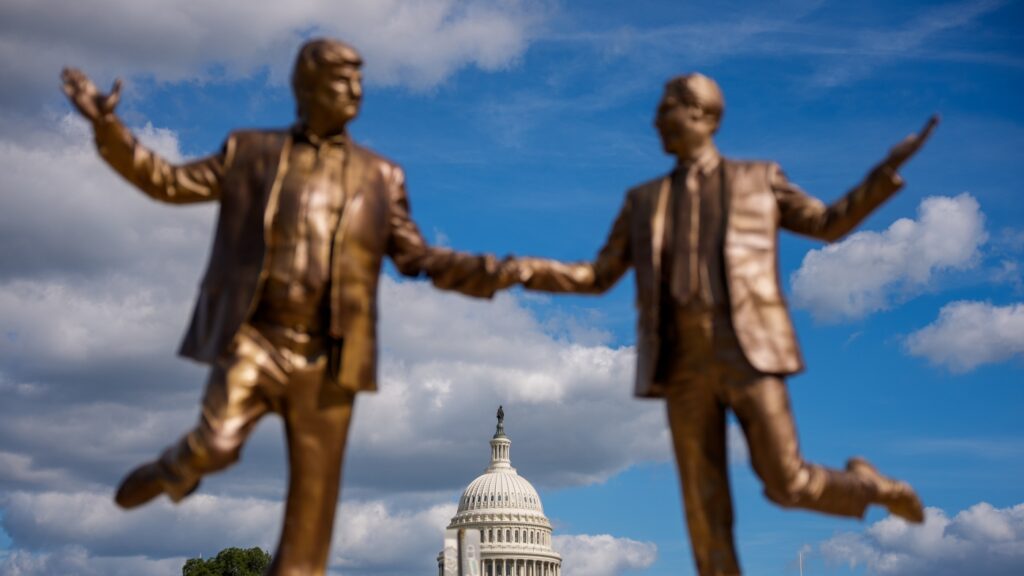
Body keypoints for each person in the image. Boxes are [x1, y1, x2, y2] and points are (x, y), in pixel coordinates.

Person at [62, 38, 510, 576]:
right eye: (344, 83)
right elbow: (168, 182)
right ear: (308, 89)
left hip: (329, 360)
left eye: (361, 84)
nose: (356, 95)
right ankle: (181, 464)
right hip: (259, 336)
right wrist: (107, 130)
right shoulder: (250, 151)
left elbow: (418, 256)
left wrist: (497, 270)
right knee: (218, 444)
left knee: (305, 550)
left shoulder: (380, 175)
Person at [510, 73, 938, 576]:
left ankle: (871, 487)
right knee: (704, 516)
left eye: (665, 109)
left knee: (786, 482)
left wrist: (884, 172)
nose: (654, 120)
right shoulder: (643, 200)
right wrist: (520, 270)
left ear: (702, 116)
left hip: (747, 350)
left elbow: (828, 224)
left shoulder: (758, 179)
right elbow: (597, 275)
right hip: (680, 361)